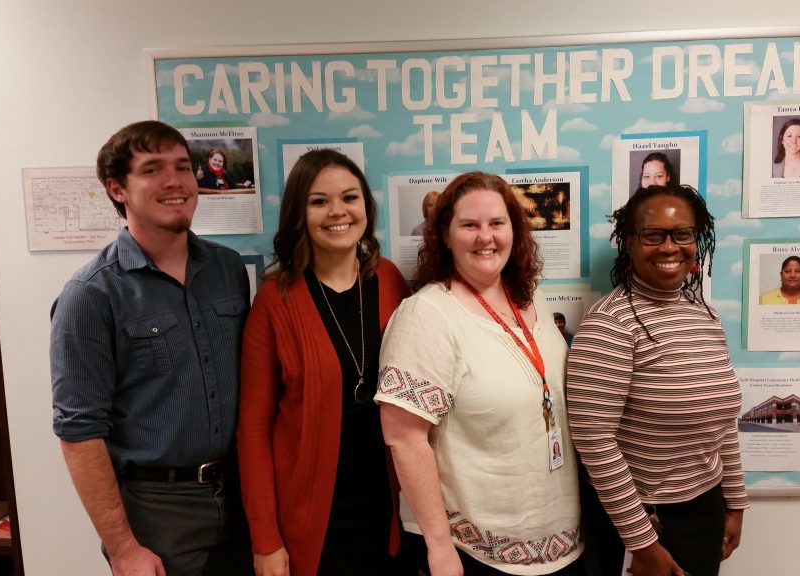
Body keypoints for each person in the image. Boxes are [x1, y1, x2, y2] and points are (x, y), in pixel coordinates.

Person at [50, 120, 253, 575]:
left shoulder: (228, 268)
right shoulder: (92, 294)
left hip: (241, 495)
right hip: (158, 511)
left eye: (183, 166)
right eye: (152, 169)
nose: (175, 181)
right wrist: (122, 548)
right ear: (118, 189)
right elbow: (79, 433)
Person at [377, 171, 584, 576]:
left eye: (496, 223)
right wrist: (439, 550)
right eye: (469, 225)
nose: (485, 237)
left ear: (514, 230)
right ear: (445, 235)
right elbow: (404, 439)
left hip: (560, 542)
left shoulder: (531, 297)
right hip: (474, 553)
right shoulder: (428, 315)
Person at [237, 149, 414, 576]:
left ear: (366, 208)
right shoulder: (274, 300)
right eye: (319, 201)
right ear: (300, 212)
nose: (338, 212)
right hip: (311, 521)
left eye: (349, 198)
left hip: (389, 513)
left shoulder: (390, 280)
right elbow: (253, 430)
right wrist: (265, 540)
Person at [566, 184, 749, 576]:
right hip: (641, 520)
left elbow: (721, 420)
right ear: (629, 243)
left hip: (703, 508)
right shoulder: (610, 324)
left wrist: (734, 502)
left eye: (682, 234)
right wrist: (642, 544)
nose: (670, 247)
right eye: (653, 235)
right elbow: (594, 442)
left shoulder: (705, 316)